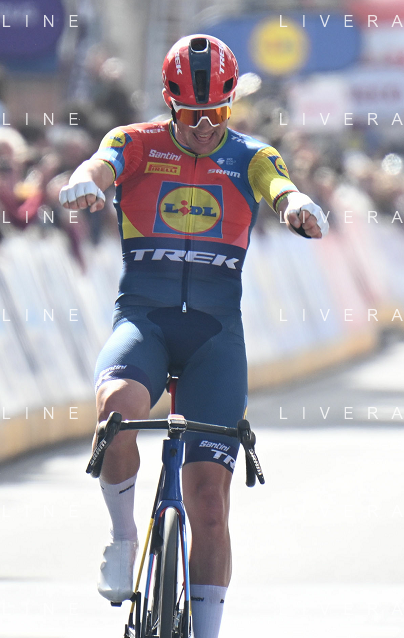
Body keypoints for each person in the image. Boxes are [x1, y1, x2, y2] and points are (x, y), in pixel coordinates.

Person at [59, 35, 328, 638]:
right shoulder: (135, 142)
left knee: (209, 505)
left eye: (217, 113)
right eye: (191, 115)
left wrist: (295, 206)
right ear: (169, 102)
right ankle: (123, 538)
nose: (205, 127)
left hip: (214, 338)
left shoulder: (251, 154)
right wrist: (85, 179)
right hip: (145, 323)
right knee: (116, 410)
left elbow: (279, 188)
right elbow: (101, 164)